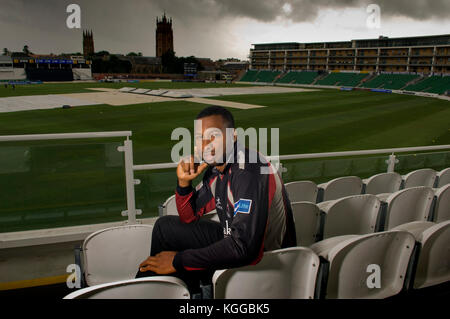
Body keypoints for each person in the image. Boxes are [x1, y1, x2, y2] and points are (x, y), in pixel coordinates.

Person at [136, 105, 296, 295]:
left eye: (214, 137)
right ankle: (165, 290)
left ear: (233, 136)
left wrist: (178, 260)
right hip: (234, 239)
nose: (206, 145)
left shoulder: (249, 170)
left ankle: (159, 290)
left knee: (177, 259)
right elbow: (189, 217)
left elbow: (244, 248)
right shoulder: (216, 169)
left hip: (268, 257)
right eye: (200, 139)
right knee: (165, 227)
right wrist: (183, 183)